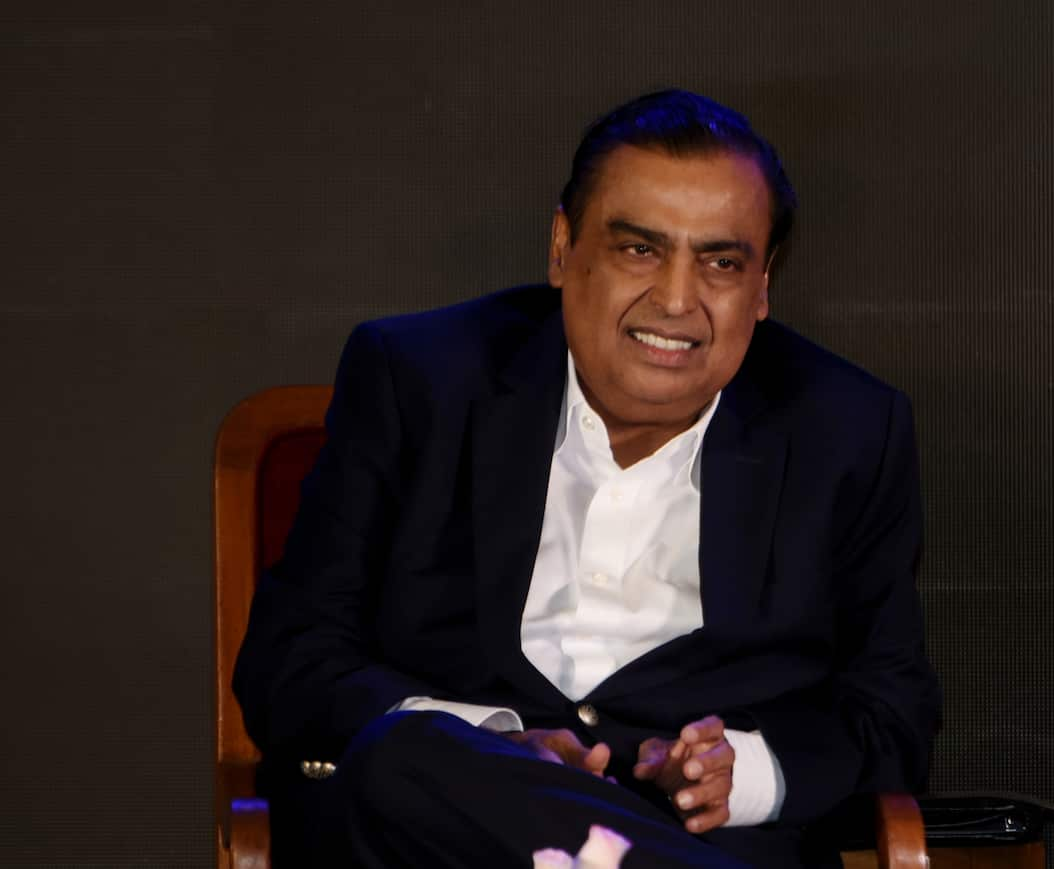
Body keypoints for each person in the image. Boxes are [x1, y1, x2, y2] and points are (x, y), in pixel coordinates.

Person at [233, 89, 941, 868]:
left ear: (763, 283)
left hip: (701, 839)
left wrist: (744, 776)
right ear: (564, 248)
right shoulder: (420, 381)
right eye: (640, 249)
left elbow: (893, 716)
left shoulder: (846, 429)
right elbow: (290, 659)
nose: (676, 301)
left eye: (720, 262)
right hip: (439, 842)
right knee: (405, 754)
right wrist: (492, 752)